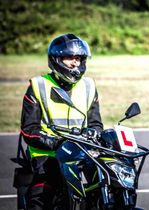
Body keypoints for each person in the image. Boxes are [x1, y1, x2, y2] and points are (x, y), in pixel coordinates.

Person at [20, 33, 103, 209]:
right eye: (69, 58)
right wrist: (57, 143)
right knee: (40, 202)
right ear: (56, 59)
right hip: (46, 156)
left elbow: (96, 124)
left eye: (79, 58)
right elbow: (29, 130)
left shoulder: (88, 86)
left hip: (81, 155)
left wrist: (94, 133)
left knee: (101, 191)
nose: (75, 63)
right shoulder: (39, 85)